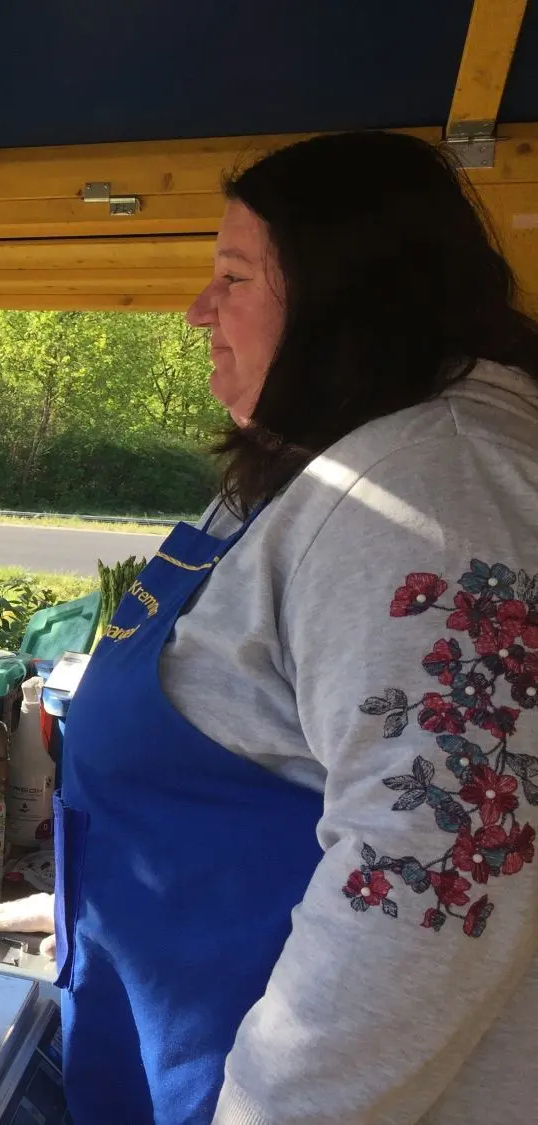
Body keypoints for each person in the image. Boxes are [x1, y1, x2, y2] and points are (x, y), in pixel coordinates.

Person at [51, 131, 538, 1124]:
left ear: (343, 296)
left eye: (232, 276)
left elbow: (431, 879)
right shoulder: (345, 463)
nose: (198, 312)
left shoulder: (430, 492)